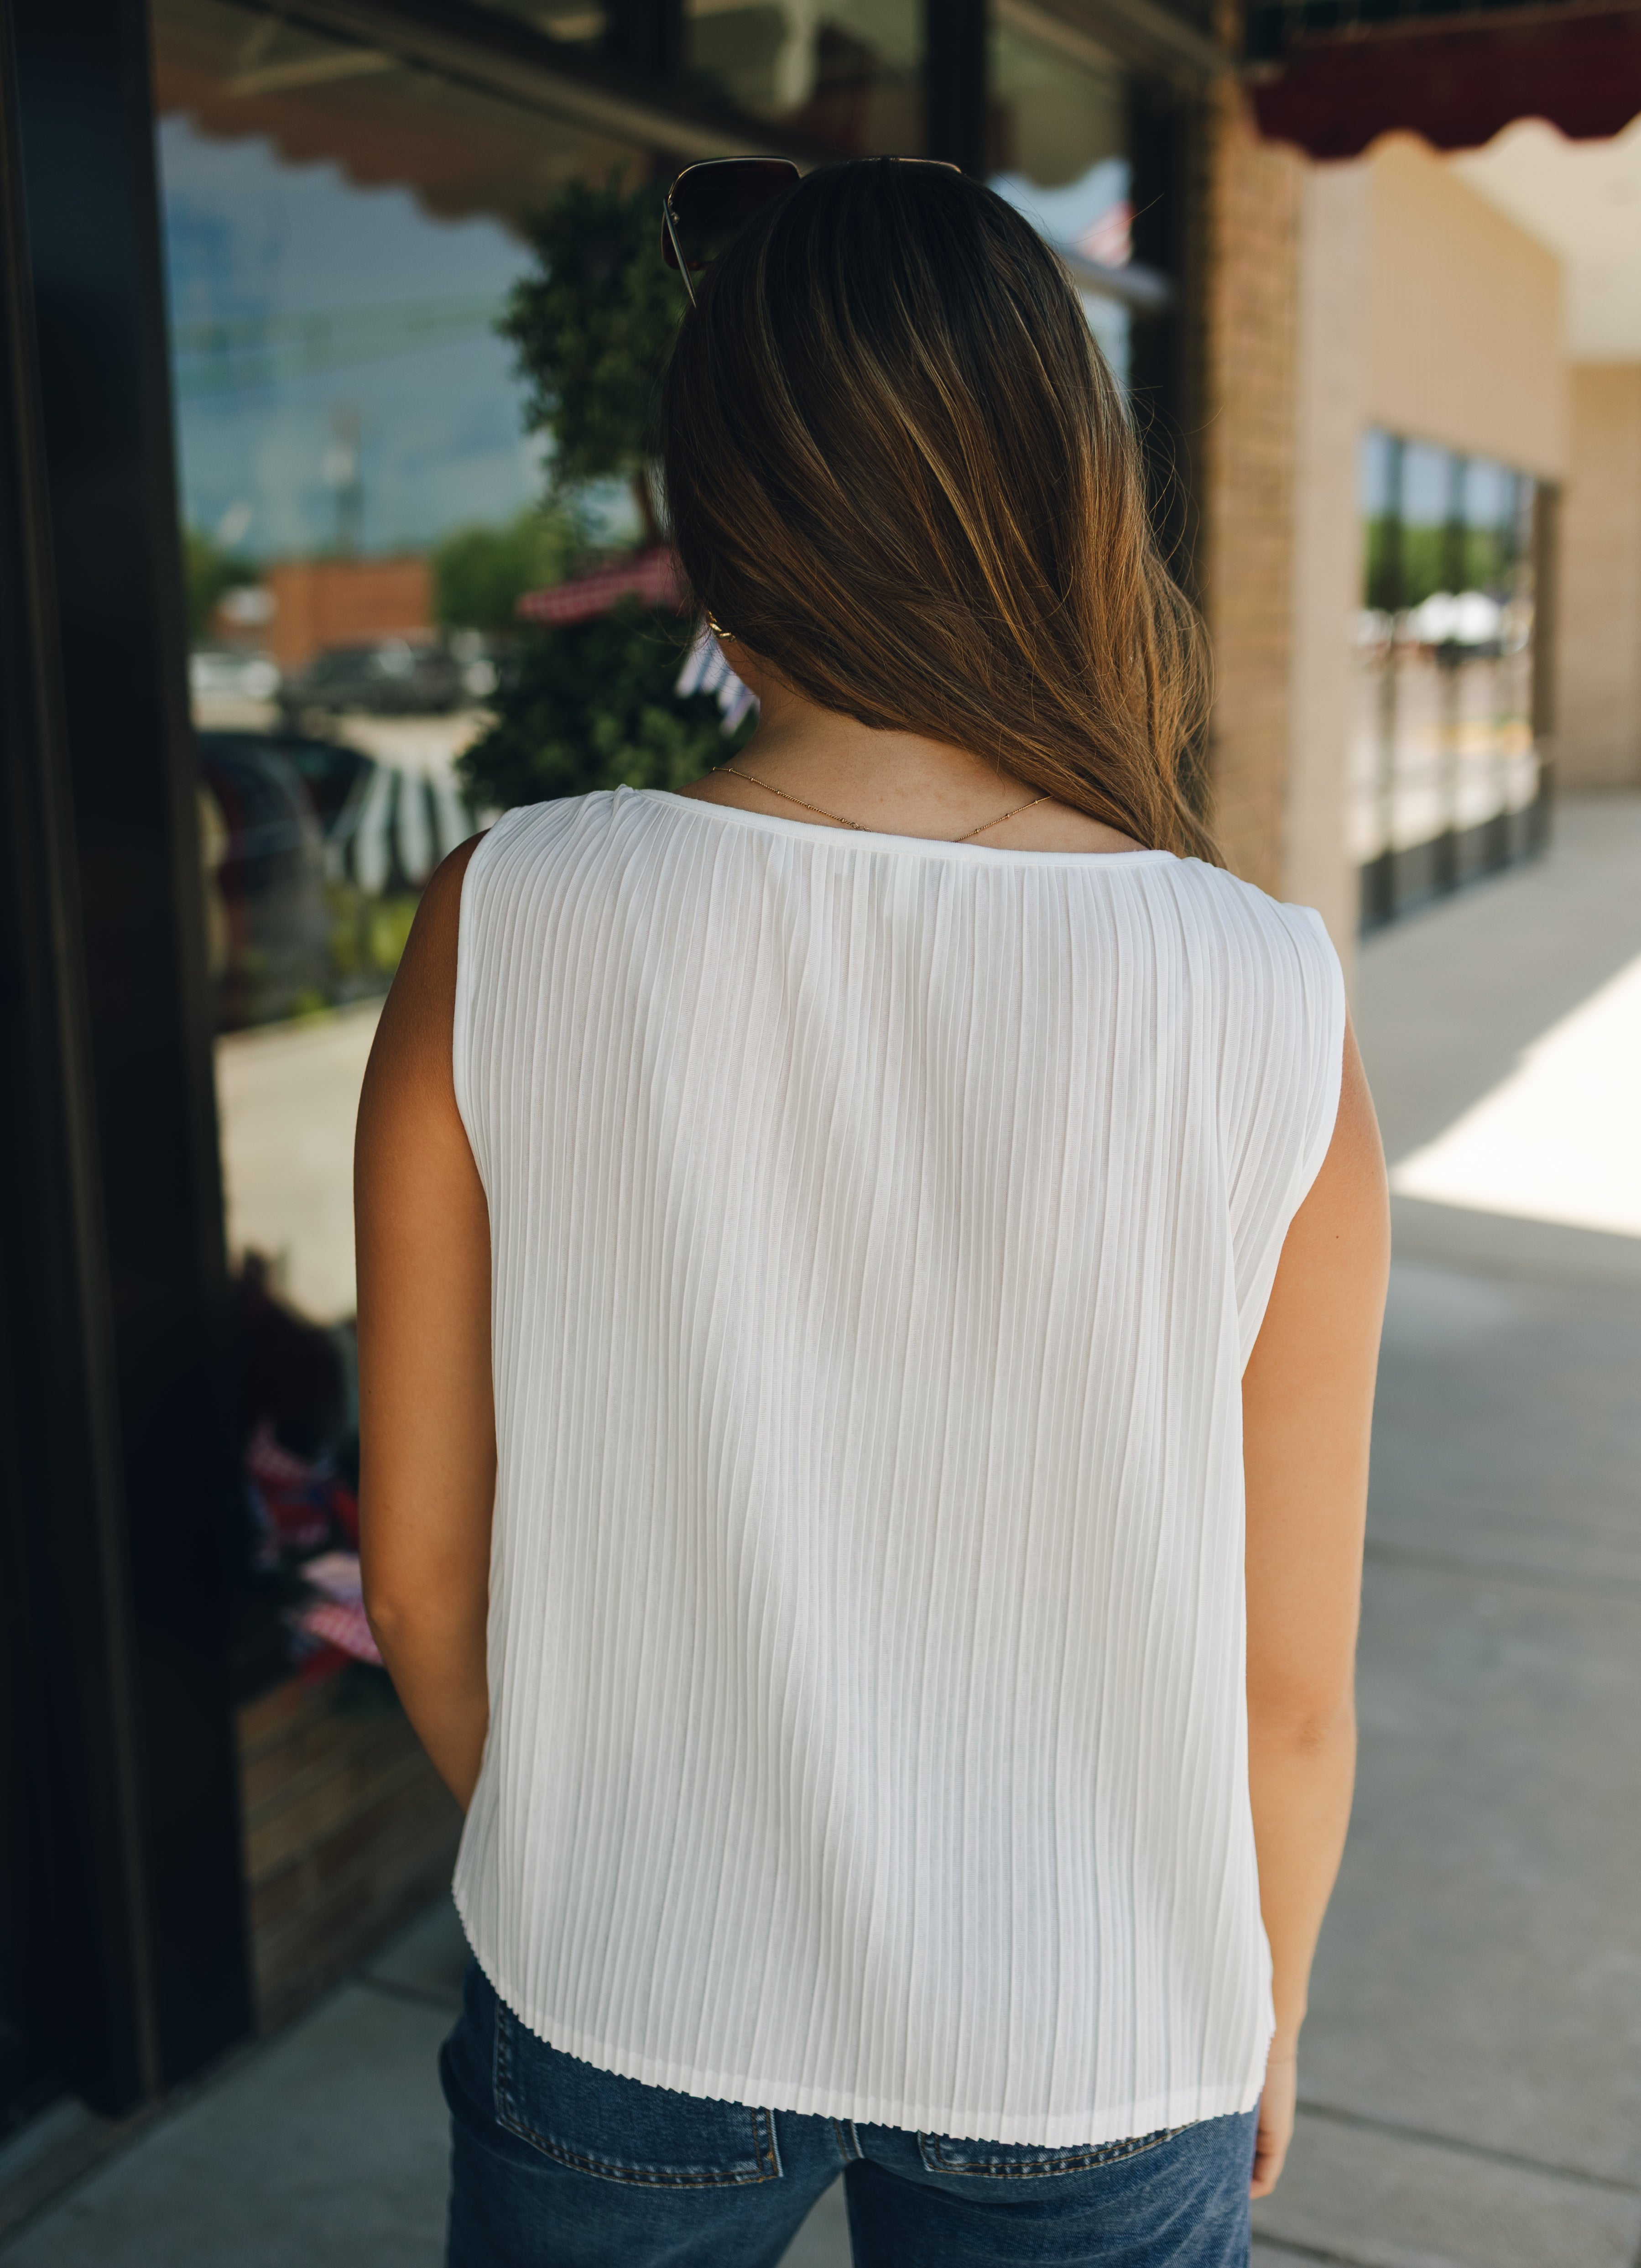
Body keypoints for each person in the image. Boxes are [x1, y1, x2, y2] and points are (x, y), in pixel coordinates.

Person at [354, 157, 1389, 2268]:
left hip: (620, 1990)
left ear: (710, 515)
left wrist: (599, 1879)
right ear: (1069, 500)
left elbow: (424, 1577)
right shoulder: (1262, 990)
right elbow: (1286, 1690)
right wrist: (1267, 1997)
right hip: (1101, 2029)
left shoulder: (513, 915)